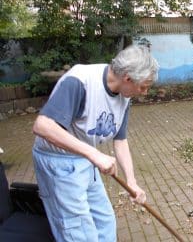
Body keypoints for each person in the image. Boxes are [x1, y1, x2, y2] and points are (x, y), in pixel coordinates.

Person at [31, 45, 159, 241]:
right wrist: (94, 154)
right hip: (58, 163)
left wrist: (132, 182)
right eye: (143, 86)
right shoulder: (80, 81)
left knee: (105, 222)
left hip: (85, 159)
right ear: (127, 78)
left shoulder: (124, 97)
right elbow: (43, 126)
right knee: (78, 232)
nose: (144, 92)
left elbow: (121, 140)